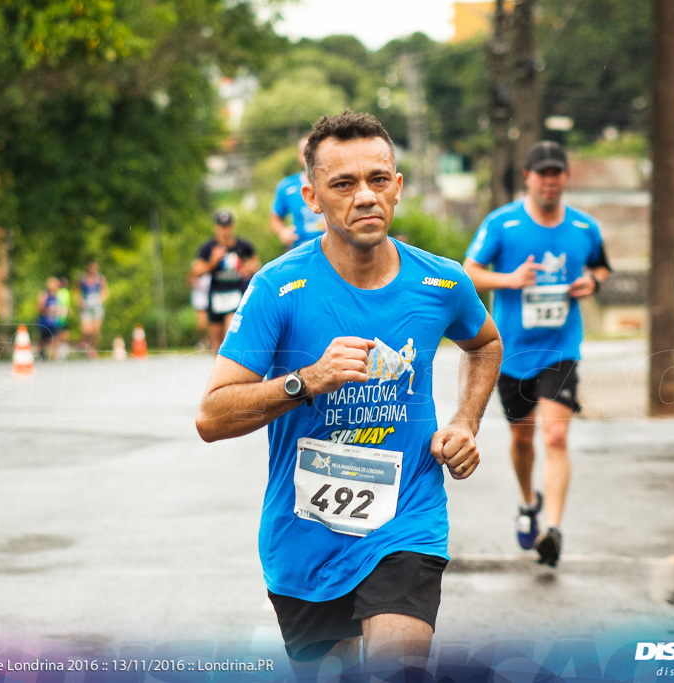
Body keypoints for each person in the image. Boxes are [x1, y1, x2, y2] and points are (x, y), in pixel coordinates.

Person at [197, 111, 502, 679]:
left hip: (405, 521)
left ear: (398, 187)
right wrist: (307, 380)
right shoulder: (277, 289)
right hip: (303, 539)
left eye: (378, 179)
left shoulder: (441, 283)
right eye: (344, 184)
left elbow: (484, 344)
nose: (365, 197)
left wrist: (466, 422)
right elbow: (212, 416)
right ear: (311, 197)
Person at [463, 140, 610, 568]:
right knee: (522, 438)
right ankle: (529, 501)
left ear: (566, 177)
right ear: (527, 176)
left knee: (556, 436)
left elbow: (601, 266)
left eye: (557, 173)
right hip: (510, 351)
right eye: (541, 173)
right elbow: (469, 271)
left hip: (560, 348)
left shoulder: (585, 228)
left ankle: (554, 530)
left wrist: (593, 284)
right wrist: (510, 280)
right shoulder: (502, 224)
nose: (549, 181)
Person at [190, 210, 260, 352]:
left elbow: (256, 264)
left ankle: (231, 368)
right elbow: (196, 271)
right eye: (222, 226)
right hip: (216, 295)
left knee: (230, 332)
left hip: (236, 293)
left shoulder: (242, 245)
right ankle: (220, 370)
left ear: (232, 226)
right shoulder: (208, 248)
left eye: (227, 226)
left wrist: (248, 268)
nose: (225, 230)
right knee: (216, 341)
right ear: (216, 227)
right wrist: (212, 263)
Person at [270, 137, 327, 250]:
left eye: (314, 151)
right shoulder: (287, 186)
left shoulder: (334, 182)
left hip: (330, 248)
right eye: (306, 152)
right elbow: (275, 218)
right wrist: (283, 232)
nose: (310, 156)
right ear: (300, 156)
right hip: (299, 248)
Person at [78, 262, 109, 358]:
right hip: (86, 306)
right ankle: (86, 345)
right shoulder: (82, 279)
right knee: (87, 331)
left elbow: (106, 292)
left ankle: (93, 349)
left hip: (97, 306)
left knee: (96, 331)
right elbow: (77, 292)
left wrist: (100, 299)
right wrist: (80, 301)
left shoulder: (100, 278)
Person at [37, 277, 64, 360]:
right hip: (45, 321)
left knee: (55, 339)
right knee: (43, 340)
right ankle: (41, 354)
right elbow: (39, 308)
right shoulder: (44, 295)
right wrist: (48, 310)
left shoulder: (58, 296)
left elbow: (61, 308)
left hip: (55, 321)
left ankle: (53, 357)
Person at [188, 270, 212, 350]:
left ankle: (210, 341)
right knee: (201, 324)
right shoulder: (196, 270)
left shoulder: (213, 270)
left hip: (212, 299)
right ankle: (204, 340)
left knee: (212, 324)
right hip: (200, 301)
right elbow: (189, 282)